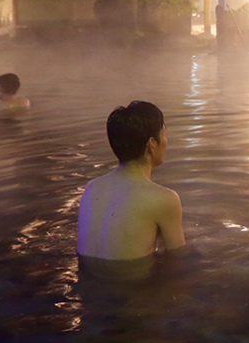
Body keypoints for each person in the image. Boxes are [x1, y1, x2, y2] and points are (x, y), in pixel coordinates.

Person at [77, 101, 187, 275]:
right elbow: (179, 260)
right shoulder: (164, 198)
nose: (166, 141)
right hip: (133, 294)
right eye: (164, 134)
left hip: (88, 290)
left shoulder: (92, 188)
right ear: (152, 143)